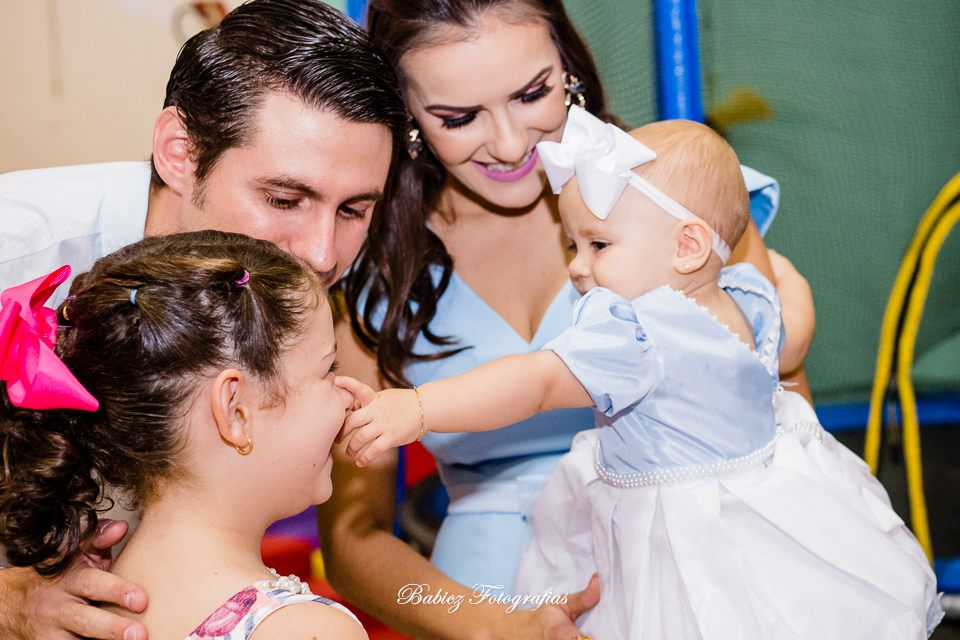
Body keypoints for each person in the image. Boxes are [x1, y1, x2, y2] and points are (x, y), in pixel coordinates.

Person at [338, 113, 942, 639]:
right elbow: (795, 326)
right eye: (575, 244)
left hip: (677, 545)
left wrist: (417, 408)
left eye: (597, 245)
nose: (578, 268)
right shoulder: (748, 294)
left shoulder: (635, 333)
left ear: (686, 247)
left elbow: (536, 382)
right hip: (771, 526)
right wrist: (787, 279)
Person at [319, 0, 816, 638]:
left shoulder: (676, 193)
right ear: (407, 115)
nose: (507, 144)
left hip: (697, 562)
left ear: (569, 68)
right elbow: (354, 540)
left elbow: (782, 414)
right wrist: (488, 623)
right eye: (459, 117)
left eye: (531, 95)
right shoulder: (374, 264)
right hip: (486, 587)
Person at [0, 1, 406, 639]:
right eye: (285, 199)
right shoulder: (14, 250)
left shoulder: (297, 285)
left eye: (354, 209)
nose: (323, 255)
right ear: (179, 151)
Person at [0, 232, 374, 640]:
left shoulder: (79, 619)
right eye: (328, 369)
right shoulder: (304, 630)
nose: (350, 392)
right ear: (235, 411)